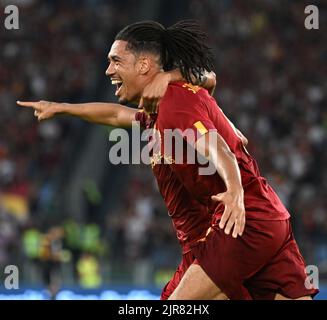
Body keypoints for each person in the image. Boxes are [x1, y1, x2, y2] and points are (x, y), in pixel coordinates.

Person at [18, 20, 318, 300]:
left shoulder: (175, 103)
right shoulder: (159, 109)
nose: (108, 70)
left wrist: (236, 192)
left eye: (116, 61)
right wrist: (61, 107)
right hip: (254, 221)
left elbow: (218, 147)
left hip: (240, 222)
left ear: (145, 64)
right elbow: (115, 114)